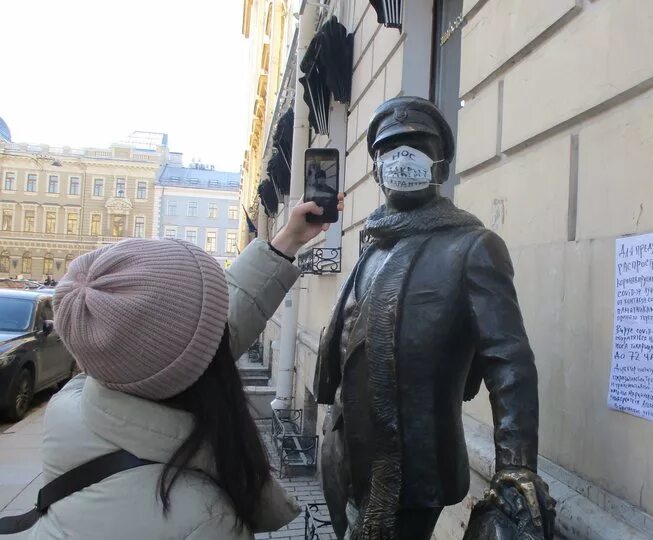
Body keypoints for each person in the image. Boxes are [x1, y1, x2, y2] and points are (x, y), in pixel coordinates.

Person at [27, 195, 344, 539]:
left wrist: (287, 241)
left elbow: (198, 339)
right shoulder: (203, 521)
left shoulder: (80, 400)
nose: (221, 334)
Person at [315, 97, 553, 539]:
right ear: (376, 166)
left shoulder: (472, 247)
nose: (404, 160)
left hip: (413, 471)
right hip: (347, 462)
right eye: (391, 149)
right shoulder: (374, 245)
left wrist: (516, 468)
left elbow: (509, 361)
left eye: (418, 146)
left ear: (440, 165)